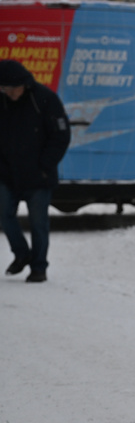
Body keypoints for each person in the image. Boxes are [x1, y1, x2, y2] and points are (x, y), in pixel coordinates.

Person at [0, 60, 71, 283]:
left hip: (38, 176)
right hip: (6, 174)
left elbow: (61, 135)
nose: (9, 94)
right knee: (4, 215)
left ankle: (39, 268)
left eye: (12, 89)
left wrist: (45, 165)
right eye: (4, 89)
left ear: (23, 84)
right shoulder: (2, 99)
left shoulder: (45, 99)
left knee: (39, 224)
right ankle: (21, 254)